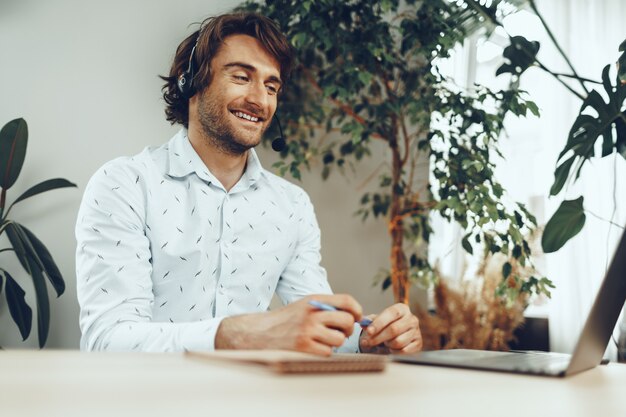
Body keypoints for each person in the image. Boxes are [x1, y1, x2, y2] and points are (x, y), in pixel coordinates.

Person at [75, 11, 422, 355]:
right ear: (191, 81)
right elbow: (107, 339)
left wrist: (368, 338)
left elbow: (316, 322)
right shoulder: (124, 185)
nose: (260, 100)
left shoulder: (292, 205)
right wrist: (235, 334)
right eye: (242, 77)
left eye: (272, 86)